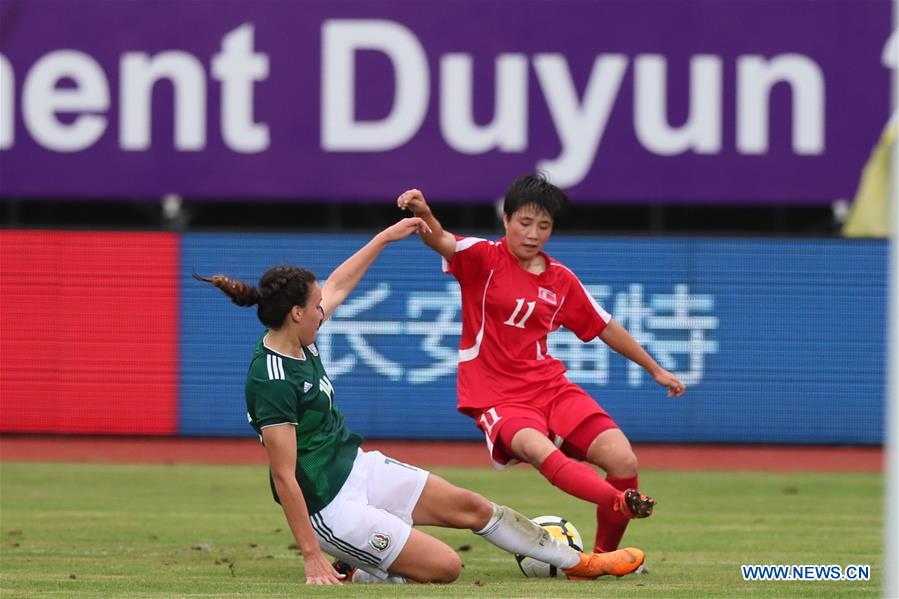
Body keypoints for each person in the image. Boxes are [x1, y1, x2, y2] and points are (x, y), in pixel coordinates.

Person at [194, 217, 645, 585]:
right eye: (315, 307)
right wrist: (312, 557)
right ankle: (356, 565)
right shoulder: (271, 379)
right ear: (296, 314)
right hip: (329, 507)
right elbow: (285, 476)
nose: (323, 310)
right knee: (446, 567)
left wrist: (384, 238)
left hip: (357, 468)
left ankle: (579, 563)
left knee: (474, 507)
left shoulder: (299, 335)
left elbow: (338, 284)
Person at [397, 175, 687, 555]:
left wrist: (655, 369)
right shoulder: (483, 258)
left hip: (549, 387)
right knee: (536, 449)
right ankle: (618, 501)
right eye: (525, 223)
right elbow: (441, 239)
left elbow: (604, 326)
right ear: (506, 220)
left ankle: (601, 559)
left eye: (544, 226)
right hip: (496, 395)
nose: (533, 234)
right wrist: (424, 213)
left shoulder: (560, 279)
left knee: (622, 457)